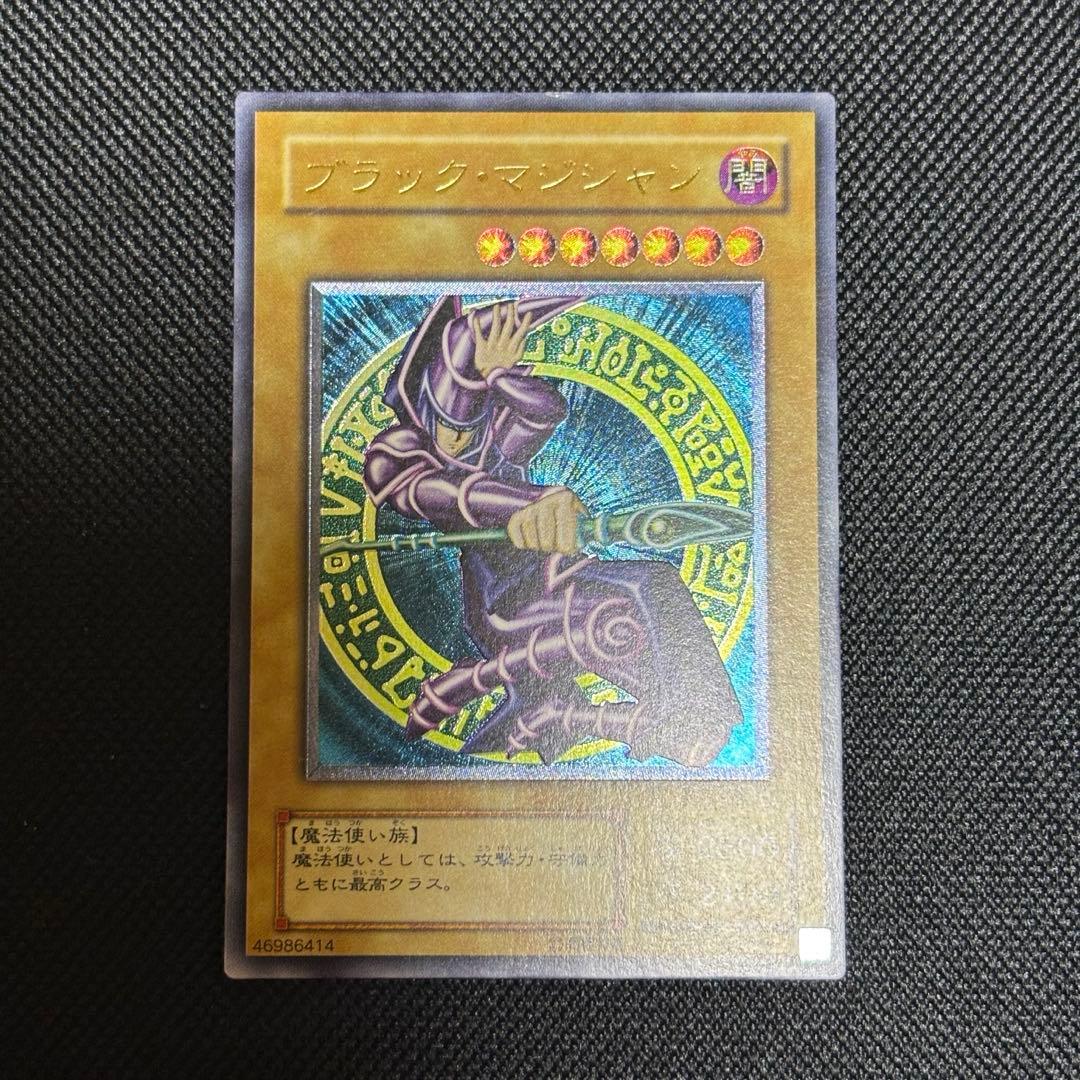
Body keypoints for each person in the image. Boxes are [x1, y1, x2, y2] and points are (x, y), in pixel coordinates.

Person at [363, 295, 743, 765]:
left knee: (654, 584)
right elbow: (444, 493)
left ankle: (694, 715)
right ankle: (632, 718)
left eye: (469, 428)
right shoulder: (398, 454)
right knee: (624, 609)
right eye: (447, 427)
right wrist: (527, 503)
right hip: (503, 598)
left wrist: (498, 376)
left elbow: (545, 411)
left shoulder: (491, 438)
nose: (459, 441)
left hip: (552, 570)